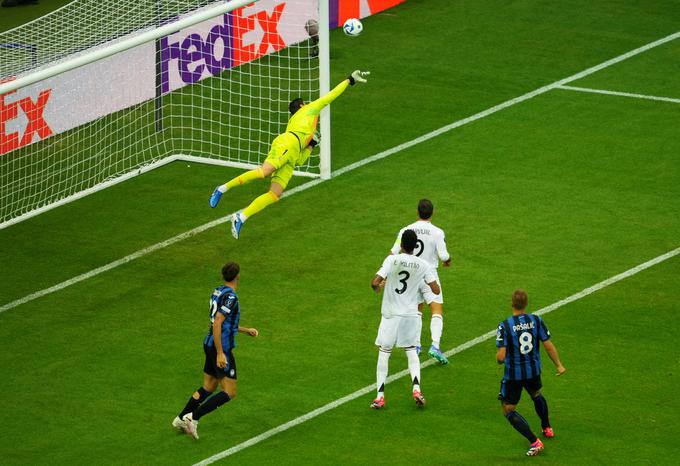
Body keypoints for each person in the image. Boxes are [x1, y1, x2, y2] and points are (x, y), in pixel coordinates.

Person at [208, 70, 371, 239]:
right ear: (301, 106)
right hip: (288, 143)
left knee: (275, 193)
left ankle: (241, 217)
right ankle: (221, 189)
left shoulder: (301, 126)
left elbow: (299, 160)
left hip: (292, 149)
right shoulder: (307, 110)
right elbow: (330, 96)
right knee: (265, 172)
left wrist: (311, 145)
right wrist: (349, 80)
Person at [172, 262, 258, 439]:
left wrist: (244, 330)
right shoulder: (231, 297)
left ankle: (181, 418)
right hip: (221, 347)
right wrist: (220, 352)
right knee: (229, 391)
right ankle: (193, 418)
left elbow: (219, 321)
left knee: (209, 386)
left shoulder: (218, 291)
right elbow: (218, 322)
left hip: (209, 342)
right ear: (238, 276)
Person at [370, 229, 440, 409]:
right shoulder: (423, 264)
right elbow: (436, 289)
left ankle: (380, 396)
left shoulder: (392, 260)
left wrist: (380, 287)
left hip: (391, 314)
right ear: (415, 246)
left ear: (401, 245)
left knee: (384, 352)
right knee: (411, 351)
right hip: (410, 314)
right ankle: (417, 388)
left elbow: (374, 282)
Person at [496, 289, 566, 456]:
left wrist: (499, 358)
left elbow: (501, 357)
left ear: (512, 303)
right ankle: (547, 428)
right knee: (536, 393)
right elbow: (548, 344)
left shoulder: (505, 326)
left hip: (514, 375)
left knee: (508, 409)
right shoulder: (536, 320)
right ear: (526, 304)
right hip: (533, 370)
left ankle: (535, 441)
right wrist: (559, 365)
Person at [390, 199, 451, 364]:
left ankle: (416, 346)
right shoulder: (437, 232)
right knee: (436, 309)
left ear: (417, 212)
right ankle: (435, 346)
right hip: (429, 274)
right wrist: (448, 260)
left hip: (411, 275)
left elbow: (393, 253)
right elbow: (444, 255)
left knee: (418, 309)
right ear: (432, 213)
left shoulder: (406, 230)